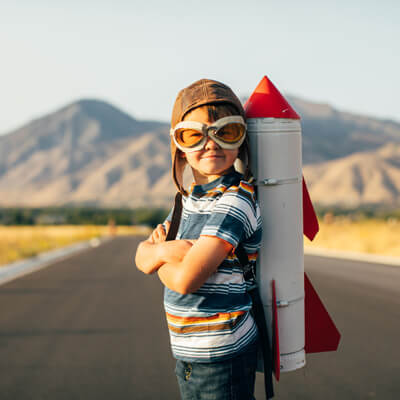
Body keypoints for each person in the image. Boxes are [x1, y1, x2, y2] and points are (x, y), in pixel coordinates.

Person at [135, 79, 263, 400]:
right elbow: (140, 256)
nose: (211, 143)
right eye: (194, 134)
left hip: (223, 354)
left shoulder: (236, 200)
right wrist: (169, 251)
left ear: (241, 139)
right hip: (188, 353)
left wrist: (160, 256)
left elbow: (186, 280)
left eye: (227, 131)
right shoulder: (185, 201)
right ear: (178, 144)